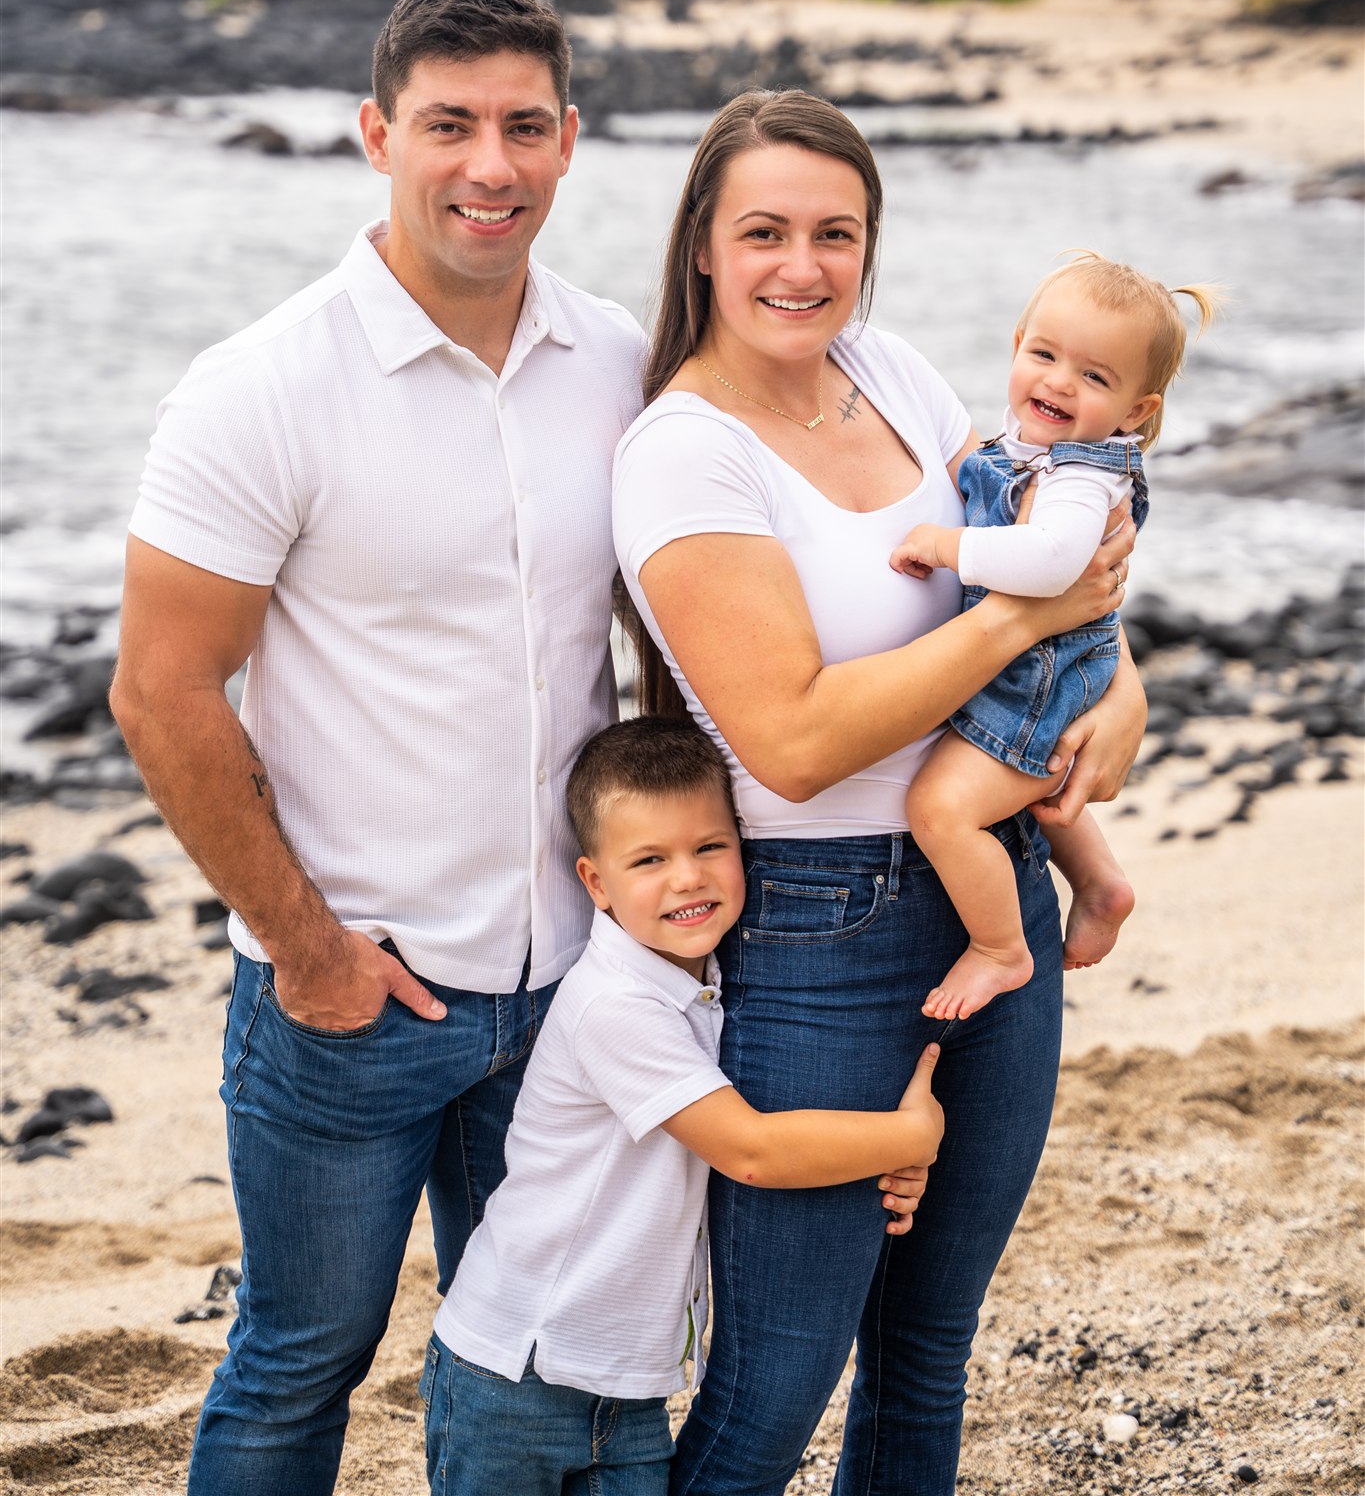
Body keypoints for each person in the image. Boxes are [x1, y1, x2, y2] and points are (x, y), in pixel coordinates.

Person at [109, 0, 649, 1496]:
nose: (491, 164)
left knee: (533, 1356)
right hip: (354, 996)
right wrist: (309, 948)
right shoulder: (260, 389)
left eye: (524, 128)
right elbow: (160, 692)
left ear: (569, 141)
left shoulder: (616, 359)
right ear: (375, 135)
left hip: (569, 988)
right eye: (450, 126)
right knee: (301, 1362)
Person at [610, 90, 1147, 1496]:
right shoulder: (682, 451)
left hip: (990, 898)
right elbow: (791, 741)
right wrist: (1023, 629)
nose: (803, 267)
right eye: (765, 232)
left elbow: (1059, 558)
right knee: (777, 1382)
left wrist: (1122, 681)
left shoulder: (897, 374)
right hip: (811, 931)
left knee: (927, 1342)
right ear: (704, 250)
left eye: (834, 233)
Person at [422, 715, 945, 1496]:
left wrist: (882, 1156)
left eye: (709, 848)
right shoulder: (616, 1006)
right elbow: (752, 1149)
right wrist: (911, 1136)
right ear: (594, 882)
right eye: (648, 860)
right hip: (516, 1372)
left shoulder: (706, 982)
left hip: (628, 1387)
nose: (687, 878)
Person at [891, 251, 1220, 1022]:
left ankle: (1001, 950)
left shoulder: (1078, 475)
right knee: (1030, 782)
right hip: (1039, 666)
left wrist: (945, 547)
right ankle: (1101, 881)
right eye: (1043, 355)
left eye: (1094, 378)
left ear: (1136, 411)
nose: (1058, 383)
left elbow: (1049, 564)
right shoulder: (1026, 443)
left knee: (940, 807)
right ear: (1016, 344)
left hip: (1037, 671)